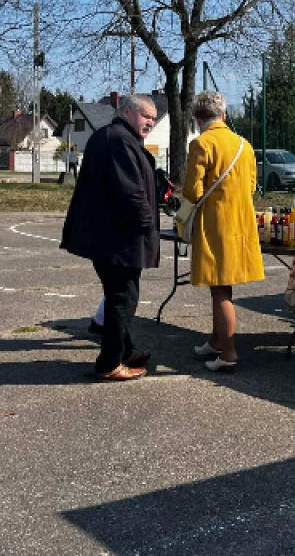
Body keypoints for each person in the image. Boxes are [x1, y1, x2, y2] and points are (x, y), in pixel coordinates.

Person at [60, 94, 160, 381]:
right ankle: (110, 363)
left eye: (153, 119)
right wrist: (146, 225)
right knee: (123, 299)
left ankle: (125, 351)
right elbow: (129, 191)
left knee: (120, 295)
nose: (150, 123)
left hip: (109, 235)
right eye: (146, 116)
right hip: (118, 237)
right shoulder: (118, 139)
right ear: (127, 112)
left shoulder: (115, 137)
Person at [183, 91, 264, 372]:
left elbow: (192, 191)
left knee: (219, 290)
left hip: (215, 224)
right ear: (224, 116)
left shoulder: (201, 143)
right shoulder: (244, 144)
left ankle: (228, 354)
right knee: (221, 286)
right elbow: (251, 186)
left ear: (198, 118)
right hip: (241, 223)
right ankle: (215, 341)